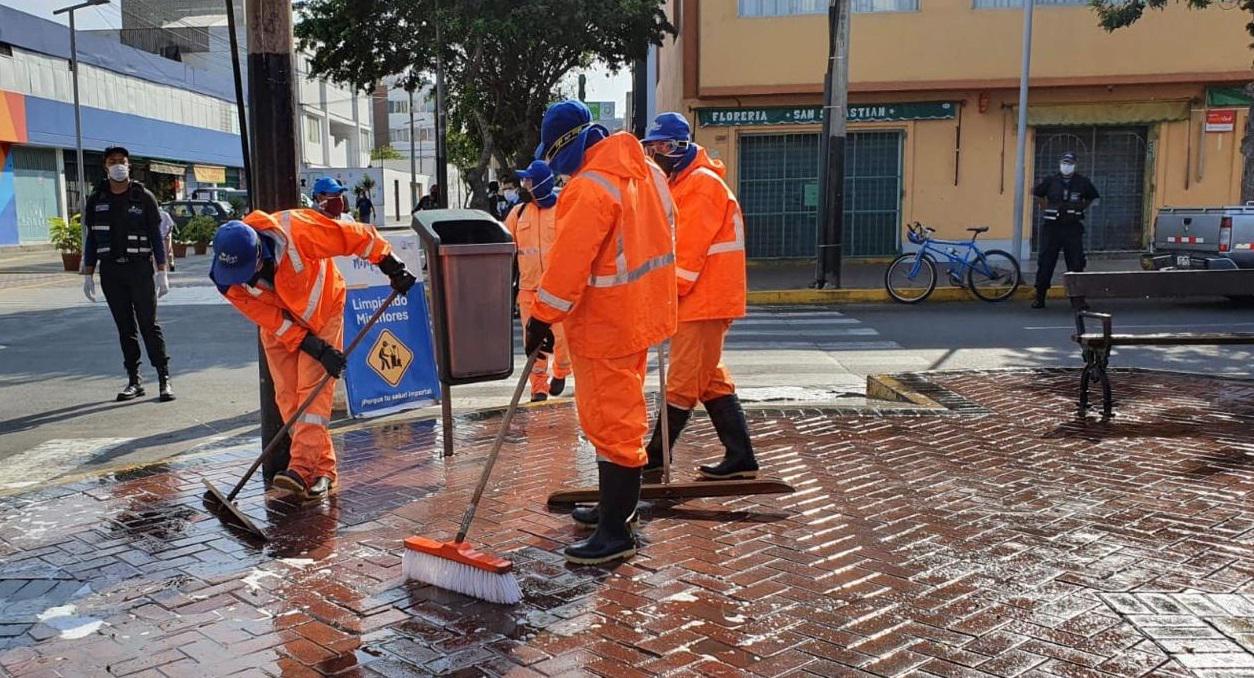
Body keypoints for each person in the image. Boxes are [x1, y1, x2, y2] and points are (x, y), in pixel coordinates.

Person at [524, 100, 677, 565]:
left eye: (553, 153)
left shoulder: (590, 189)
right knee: (619, 416)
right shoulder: (645, 171)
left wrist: (540, 318)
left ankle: (615, 533)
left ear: (567, 144)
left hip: (605, 323)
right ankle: (617, 510)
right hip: (639, 314)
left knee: (611, 423)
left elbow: (569, 266)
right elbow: (668, 228)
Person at [209, 211, 416, 500]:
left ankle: (302, 469)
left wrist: (391, 265)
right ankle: (325, 470)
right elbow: (267, 316)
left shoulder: (297, 230)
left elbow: (354, 236)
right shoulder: (226, 279)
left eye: (248, 270)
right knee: (287, 398)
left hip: (323, 312)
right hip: (279, 327)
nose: (248, 280)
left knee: (312, 393)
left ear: (259, 253)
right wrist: (312, 346)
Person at [638, 112, 757, 481]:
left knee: (683, 381)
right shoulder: (683, 183)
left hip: (704, 300)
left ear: (683, 146)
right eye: (653, 146)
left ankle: (655, 456)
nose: (658, 153)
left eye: (665, 146)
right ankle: (740, 456)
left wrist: (660, 295)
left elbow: (685, 257)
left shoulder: (700, 186)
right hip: (703, 299)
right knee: (710, 379)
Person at [82, 146, 174, 402]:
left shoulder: (143, 196)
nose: (118, 166)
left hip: (140, 270)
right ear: (105, 166)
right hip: (111, 271)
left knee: (148, 324)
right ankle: (134, 380)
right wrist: (88, 273)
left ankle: (164, 378)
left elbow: (156, 236)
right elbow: (92, 237)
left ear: (129, 165)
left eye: (122, 161)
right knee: (125, 327)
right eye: (113, 162)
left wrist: (161, 270)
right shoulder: (97, 198)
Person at [505, 160, 570, 402]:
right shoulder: (518, 213)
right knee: (534, 342)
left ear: (541, 183)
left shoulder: (564, 209)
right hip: (528, 290)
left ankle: (562, 371)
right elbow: (505, 244)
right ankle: (538, 387)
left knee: (562, 340)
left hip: (558, 290)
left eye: (529, 180)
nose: (525, 185)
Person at [1032, 151, 1099, 309]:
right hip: (1052, 228)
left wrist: (1081, 207)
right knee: (1046, 263)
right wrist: (1045, 207)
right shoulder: (1051, 181)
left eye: (1069, 163)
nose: (1066, 166)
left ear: (1075, 165)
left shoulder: (1082, 182)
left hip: (1072, 227)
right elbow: (1037, 194)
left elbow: (1093, 197)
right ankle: (1040, 297)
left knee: (1076, 263)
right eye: (1064, 163)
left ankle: (1077, 299)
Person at [158, 206, 176, 273]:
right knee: (168, 251)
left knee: (167, 251)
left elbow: (171, 225)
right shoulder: (164, 214)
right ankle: (169, 265)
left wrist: (167, 234)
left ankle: (169, 265)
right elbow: (171, 225)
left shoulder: (163, 214)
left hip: (163, 235)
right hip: (163, 235)